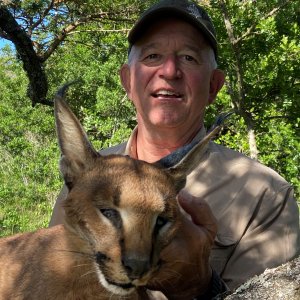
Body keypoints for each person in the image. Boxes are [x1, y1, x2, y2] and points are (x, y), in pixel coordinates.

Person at [49, 0, 300, 298]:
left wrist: (203, 286)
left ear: (214, 86)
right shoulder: (87, 178)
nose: (169, 70)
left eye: (189, 58)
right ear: (127, 81)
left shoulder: (264, 194)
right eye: (153, 56)